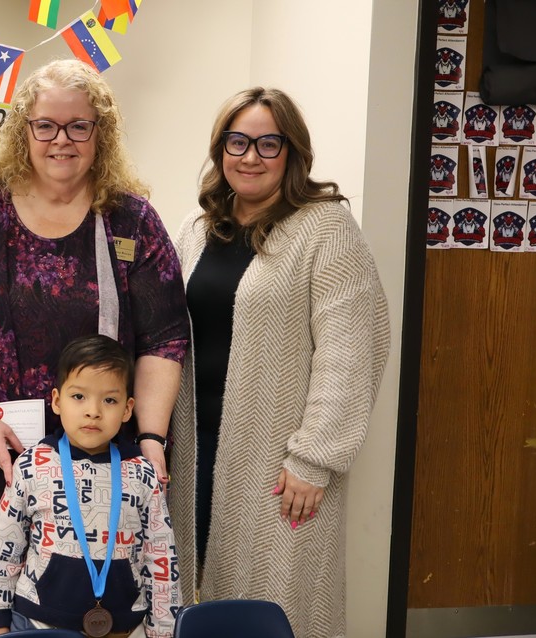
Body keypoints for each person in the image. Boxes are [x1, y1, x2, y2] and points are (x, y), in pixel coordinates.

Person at [0, 59, 189, 636]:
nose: (61, 140)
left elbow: (166, 335)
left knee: (106, 607)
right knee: (2, 607)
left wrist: (150, 437)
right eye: (45, 125)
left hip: (105, 460)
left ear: (100, 133)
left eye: (78, 126)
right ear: (24, 129)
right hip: (0, 453)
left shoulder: (130, 220)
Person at [168, 88, 391, 638]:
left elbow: (350, 352)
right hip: (194, 445)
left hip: (279, 455)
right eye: (237, 142)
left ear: (292, 152)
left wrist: (315, 457)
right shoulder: (196, 230)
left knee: (277, 596)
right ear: (220, 149)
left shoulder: (326, 229)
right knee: (190, 589)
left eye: (268, 143)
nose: (250, 157)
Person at [0, 335, 181, 637]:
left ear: (127, 409)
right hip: (37, 621)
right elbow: (2, 550)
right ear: (57, 401)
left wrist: (163, 630)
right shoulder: (31, 466)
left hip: (125, 625)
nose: (93, 411)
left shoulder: (142, 474)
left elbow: (161, 557)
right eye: (79, 396)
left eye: (109, 400)